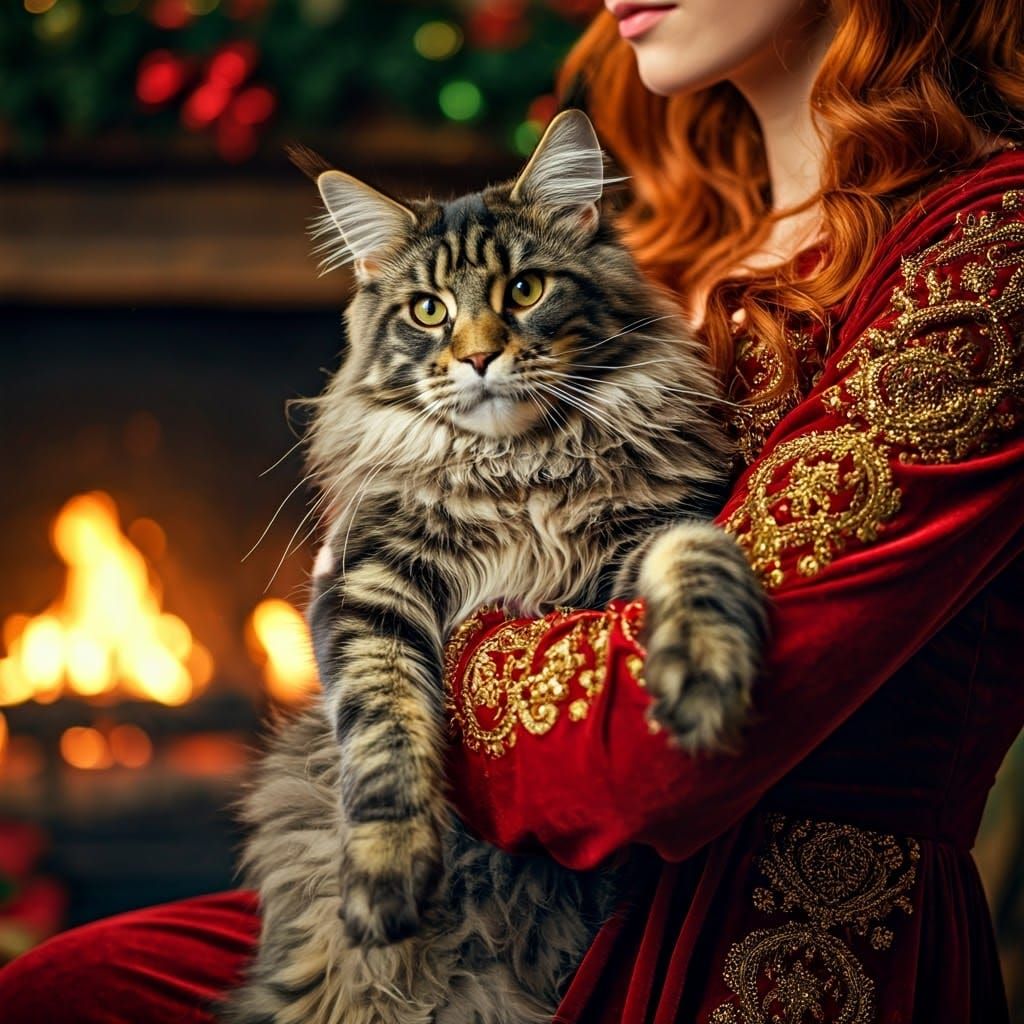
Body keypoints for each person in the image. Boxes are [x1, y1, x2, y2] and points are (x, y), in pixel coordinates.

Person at [2, 0, 1023, 1021]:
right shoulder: (685, 229)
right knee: (61, 988)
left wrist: (394, 632)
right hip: (477, 887)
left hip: (762, 940)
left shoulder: (984, 251)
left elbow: (659, 746)